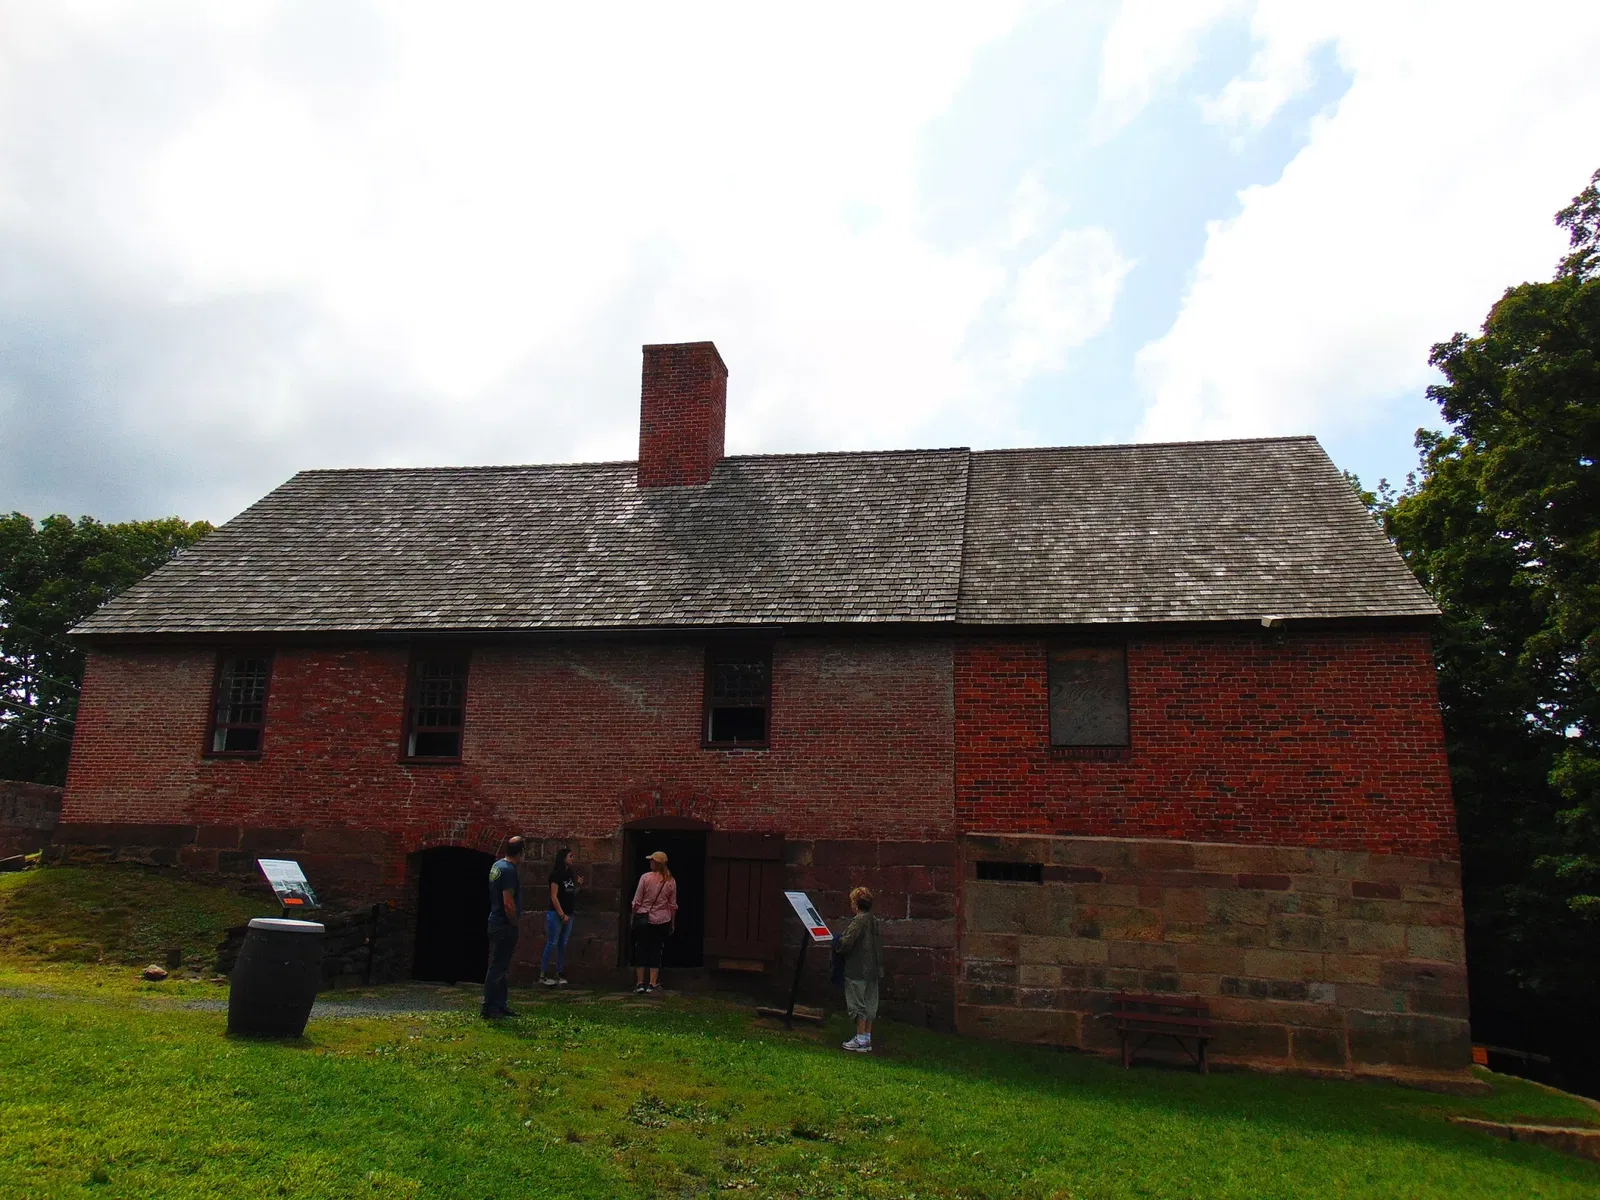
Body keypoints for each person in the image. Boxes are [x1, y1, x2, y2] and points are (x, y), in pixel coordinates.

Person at [482, 835, 525, 1019]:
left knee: (502, 966)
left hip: (495, 921)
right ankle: (489, 1007)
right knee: (498, 968)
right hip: (504, 924)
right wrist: (514, 921)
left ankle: (500, 1004)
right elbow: (508, 902)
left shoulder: (497, 866)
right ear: (521, 852)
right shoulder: (509, 870)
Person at [837, 886, 883, 1053]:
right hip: (873, 969)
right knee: (871, 1004)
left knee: (858, 1004)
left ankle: (860, 1038)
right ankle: (867, 1038)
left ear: (856, 904)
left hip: (858, 968)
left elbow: (846, 942)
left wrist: (837, 944)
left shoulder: (859, 920)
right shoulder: (874, 920)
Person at [630, 850, 677, 994]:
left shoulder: (645, 878)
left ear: (656, 863)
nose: (650, 862)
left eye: (652, 860)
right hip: (662, 919)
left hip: (644, 918)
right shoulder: (670, 881)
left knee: (641, 949)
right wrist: (672, 923)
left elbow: (637, 902)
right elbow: (672, 905)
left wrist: (633, 917)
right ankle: (652, 983)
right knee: (656, 950)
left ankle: (639, 983)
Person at [540, 847, 584, 986]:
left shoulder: (570, 874)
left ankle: (559, 972)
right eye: (570, 856)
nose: (572, 858)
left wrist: (580, 886)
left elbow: (570, 894)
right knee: (552, 942)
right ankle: (544, 973)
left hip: (568, 913)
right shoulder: (556, 875)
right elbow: (554, 896)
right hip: (556, 914)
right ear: (563, 858)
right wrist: (561, 914)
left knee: (562, 944)